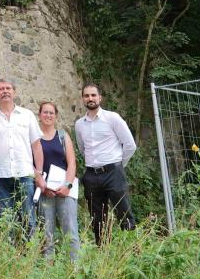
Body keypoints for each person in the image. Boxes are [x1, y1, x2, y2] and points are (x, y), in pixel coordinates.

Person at [74, 83, 137, 245]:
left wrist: (117, 165)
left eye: (93, 95)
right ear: (83, 99)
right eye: (87, 95)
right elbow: (82, 148)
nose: (90, 98)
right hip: (91, 176)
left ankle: (133, 251)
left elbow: (130, 145)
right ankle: (103, 252)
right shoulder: (79, 124)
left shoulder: (112, 118)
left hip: (113, 173)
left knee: (123, 212)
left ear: (100, 97)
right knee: (97, 217)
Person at [0, 78, 45, 233]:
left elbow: (36, 147)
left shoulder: (27, 115)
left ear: (14, 92)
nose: (5, 91)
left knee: (29, 218)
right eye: (1, 89)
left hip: (25, 175)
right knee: (5, 221)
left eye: (8, 88)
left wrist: (39, 174)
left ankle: (30, 255)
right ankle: (10, 255)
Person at [36, 101, 80, 259]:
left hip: (64, 191)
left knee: (70, 232)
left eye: (51, 113)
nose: (48, 115)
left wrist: (67, 185)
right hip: (44, 191)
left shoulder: (62, 136)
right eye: (45, 112)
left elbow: (72, 163)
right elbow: (31, 165)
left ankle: (74, 270)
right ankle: (49, 273)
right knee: (46, 234)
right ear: (39, 115)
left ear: (56, 116)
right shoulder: (34, 138)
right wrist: (41, 184)